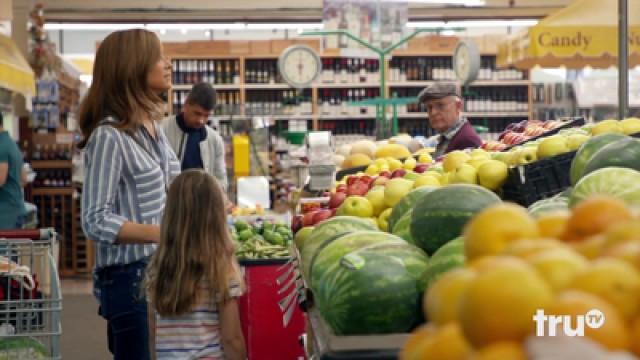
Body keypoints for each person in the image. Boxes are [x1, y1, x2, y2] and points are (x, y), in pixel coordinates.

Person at [79, 29, 180, 360]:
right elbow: (95, 221)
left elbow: (170, 185)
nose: (167, 64)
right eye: (158, 57)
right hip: (129, 281)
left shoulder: (151, 126)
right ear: (132, 67)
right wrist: (162, 234)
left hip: (160, 271)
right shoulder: (109, 136)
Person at [145, 169, 246, 360]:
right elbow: (231, 338)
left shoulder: (157, 267)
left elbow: (152, 330)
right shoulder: (221, 268)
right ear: (216, 218)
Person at [162, 82, 228, 190]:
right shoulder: (161, 131)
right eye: (197, 113)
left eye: (206, 116)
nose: (201, 120)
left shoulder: (215, 140)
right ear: (186, 105)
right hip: (170, 203)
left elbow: (221, 180)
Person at [417, 83, 483, 158]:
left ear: (458, 106)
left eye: (440, 105)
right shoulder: (448, 136)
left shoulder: (467, 141)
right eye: (429, 107)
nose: (433, 112)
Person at [0, 112, 27, 229]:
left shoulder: (1, 146)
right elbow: (24, 179)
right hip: (17, 209)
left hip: (5, 214)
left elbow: (0, 180)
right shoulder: (11, 144)